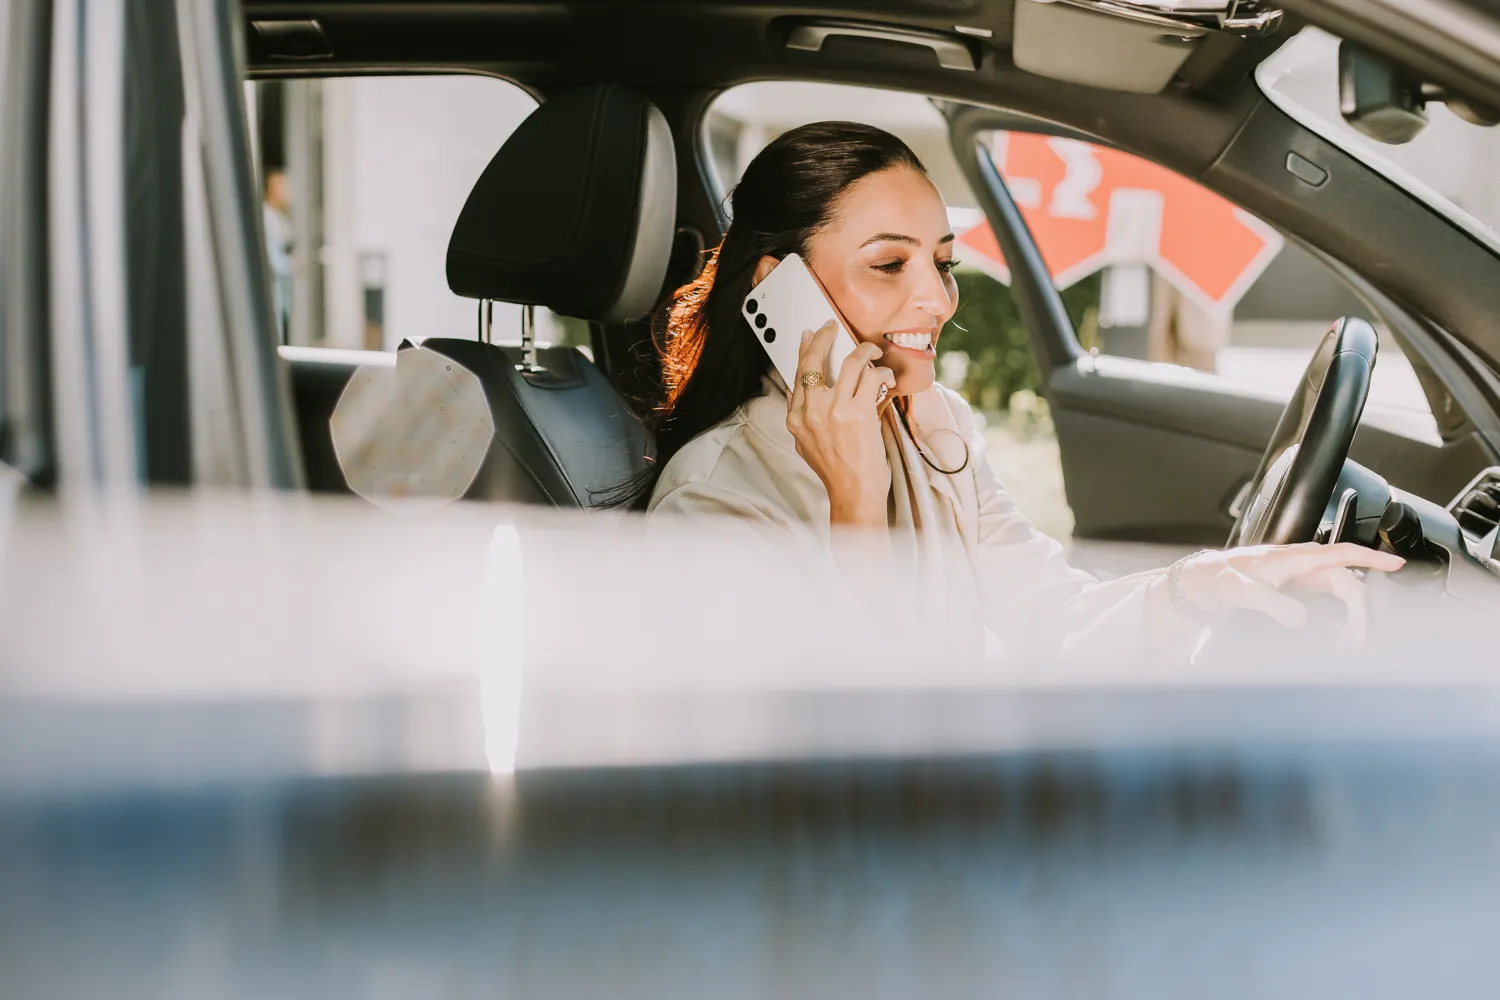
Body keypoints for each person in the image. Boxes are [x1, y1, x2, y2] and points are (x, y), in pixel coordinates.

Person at [635, 122, 1401, 663]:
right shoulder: (713, 497)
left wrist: (1198, 587)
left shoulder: (929, 425)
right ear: (781, 289)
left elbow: (1052, 619)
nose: (938, 302)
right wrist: (856, 505)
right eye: (888, 265)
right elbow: (836, 761)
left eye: (943, 265)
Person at [263, 168, 294, 343]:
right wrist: (290, 264)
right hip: (273, 283)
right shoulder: (268, 217)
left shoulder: (281, 216)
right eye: (283, 187)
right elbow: (271, 256)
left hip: (282, 286)